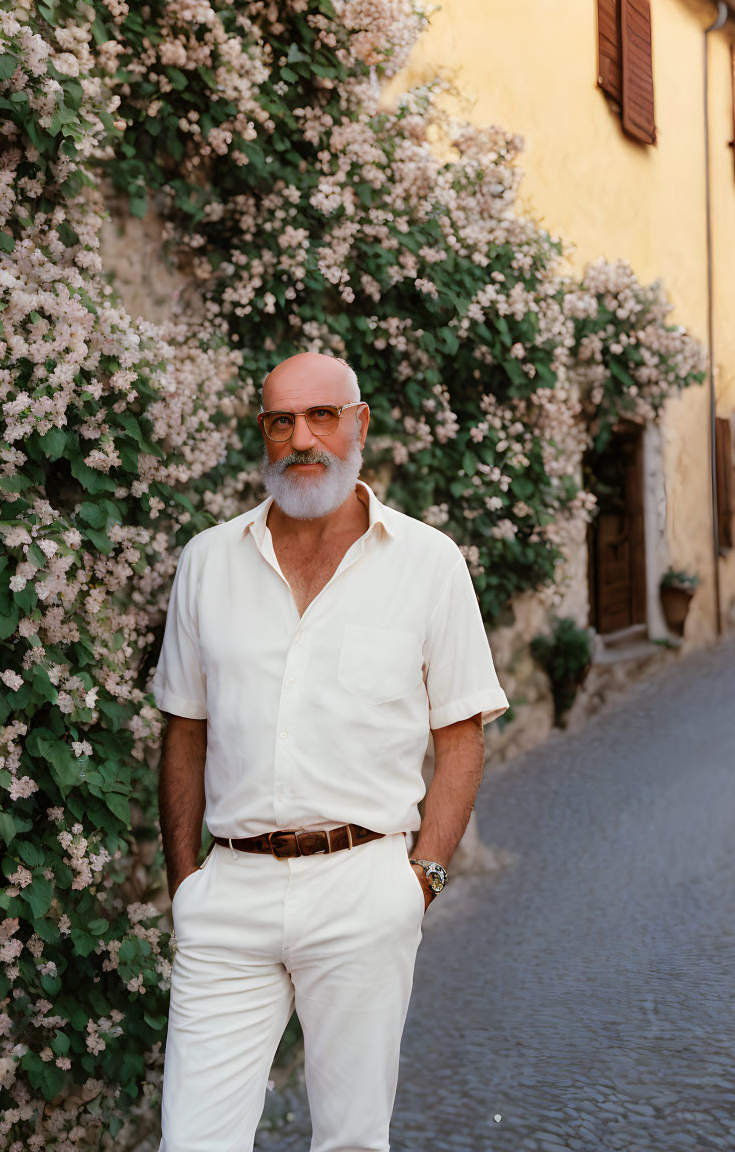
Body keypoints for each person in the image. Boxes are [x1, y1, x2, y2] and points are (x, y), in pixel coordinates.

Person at [152, 351, 508, 1152]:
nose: (302, 438)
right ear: (264, 433)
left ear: (359, 425)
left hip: (362, 889)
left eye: (322, 416)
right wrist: (186, 885)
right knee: (193, 1142)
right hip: (229, 893)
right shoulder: (208, 560)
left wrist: (420, 880)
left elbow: (460, 739)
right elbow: (184, 730)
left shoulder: (427, 562)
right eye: (282, 420)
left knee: (350, 1140)